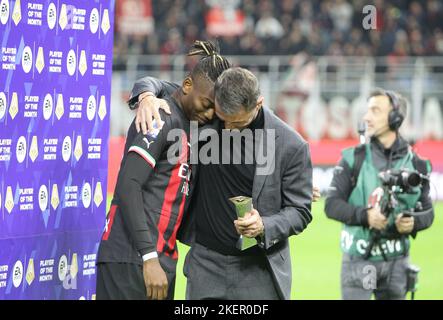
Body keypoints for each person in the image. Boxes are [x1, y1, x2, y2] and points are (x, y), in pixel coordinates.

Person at [130, 67, 313, 300]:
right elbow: (155, 83)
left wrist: (264, 225)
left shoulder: (291, 145)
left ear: (258, 104)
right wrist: (146, 97)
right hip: (206, 265)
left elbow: (300, 210)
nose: (227, 128)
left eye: (237, 123)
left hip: (258, 271)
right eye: (223, 119)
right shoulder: (210, 111)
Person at [96, 40, 230, 300]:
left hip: (162, 263)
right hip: (131, 259)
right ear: (188, 86)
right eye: (207, 103)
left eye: (217, 108)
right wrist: (148, 256)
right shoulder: (161, 116)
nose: (211, 113)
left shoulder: (192, 122)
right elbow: (128, 184)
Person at [325, 88, 434, 300]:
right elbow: (331, 205)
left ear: (395, 118)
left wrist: (414, 223)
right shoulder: (352, 158)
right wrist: (365, 216)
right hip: (358, 260)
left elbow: (428, 213)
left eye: (375, 111)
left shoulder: (418, 164)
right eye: (367, 110)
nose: (366, 117)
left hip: (398, 263)